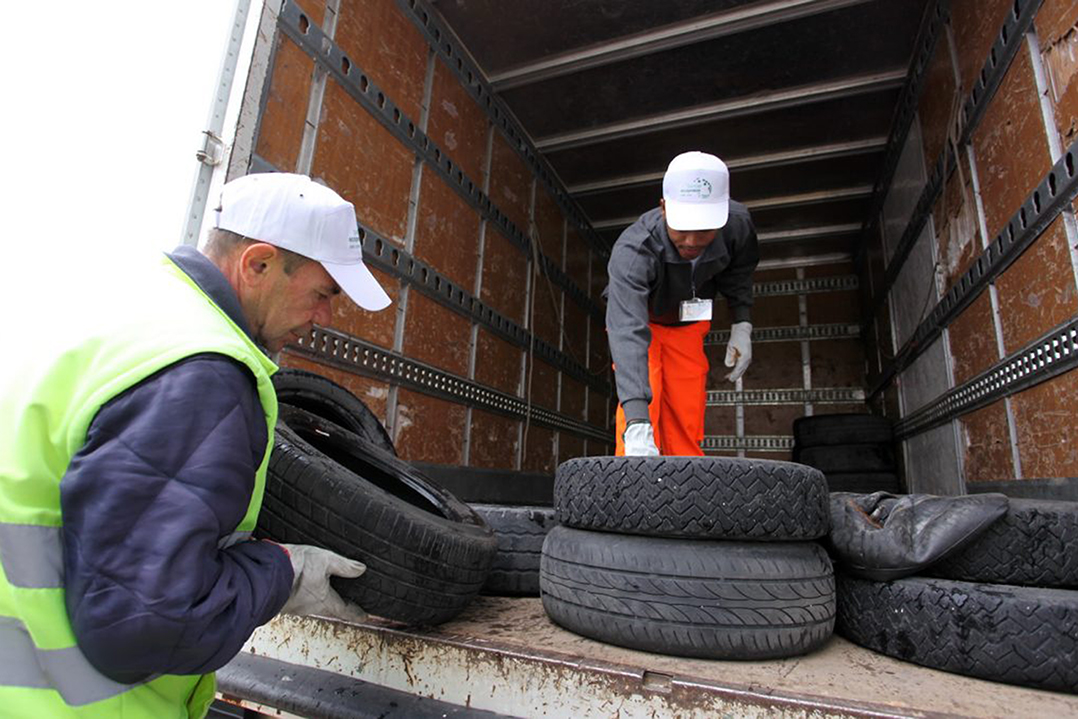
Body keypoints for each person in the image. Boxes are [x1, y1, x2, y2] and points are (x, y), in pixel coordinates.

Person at [0, 173, 393, 718]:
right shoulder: (199, 371)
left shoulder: (128, 313)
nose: (326, 317)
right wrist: (281, 572)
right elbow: (140, 627)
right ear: (257, 264)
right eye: (323, 293)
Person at [606, 151, 760, 456]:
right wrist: (637, 421)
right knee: (642, 411)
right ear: (664, 208)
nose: (691, 241)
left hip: (688, 324)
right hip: (641, 325)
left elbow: (740, 272)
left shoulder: (738, 226)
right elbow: (626, 329)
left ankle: (684, 489)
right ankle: (635, 481)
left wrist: (742, 323)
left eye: (703, 230)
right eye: (683, 228)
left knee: (685, 415)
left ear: (722, 216)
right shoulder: (634, 249)